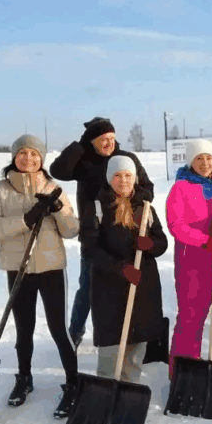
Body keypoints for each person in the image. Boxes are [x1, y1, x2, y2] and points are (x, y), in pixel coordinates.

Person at [0, 134, 81, 417]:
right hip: (19, 268)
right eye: (23, 153)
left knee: (58, 329)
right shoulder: (1, 190)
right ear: (14, 157)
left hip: (51, 268)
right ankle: (24, 378)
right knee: (24, 329)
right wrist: (26, 219)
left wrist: (58, 211)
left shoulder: (53, 188)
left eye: (34, 154)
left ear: (42, 158)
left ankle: (73, 383)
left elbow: (72, 230)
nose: (28, 158)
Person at [49, 117, 154, 350]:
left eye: (112, 138)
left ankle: (125, 334)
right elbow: (57, 170)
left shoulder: (127, 159)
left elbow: (148, 190)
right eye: (103, 139)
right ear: (91, 141)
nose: (109, 143)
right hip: (93, 235)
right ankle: (75, 333)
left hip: (124, 237)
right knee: (88, 288)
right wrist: (80, 145)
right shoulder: (84, 161)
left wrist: (129, 197)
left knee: (123, 287)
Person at [83, 155, 168, 383]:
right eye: (117, 176)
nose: (123, 180)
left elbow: (162, 242)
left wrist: (150, 244)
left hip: (142, 286)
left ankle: (129, 389)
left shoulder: (146, 208)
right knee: (111, 349)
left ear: (135, 178)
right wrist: (120, 268)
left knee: (136, 347)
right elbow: (90, 249)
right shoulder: (97, 208)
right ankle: (107, 388)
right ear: (109, 178)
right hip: (109, 288)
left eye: (128, 175)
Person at [165, 139, 212, 379]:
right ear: (191, 161)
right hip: (189, 259)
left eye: (209, 158)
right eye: (199, 158)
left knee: (201, 313)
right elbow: (176, 225)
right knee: (188, 314)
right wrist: (205, 240)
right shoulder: (180, 187)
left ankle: (193, 358)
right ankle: (179, 368)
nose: (205, 163)